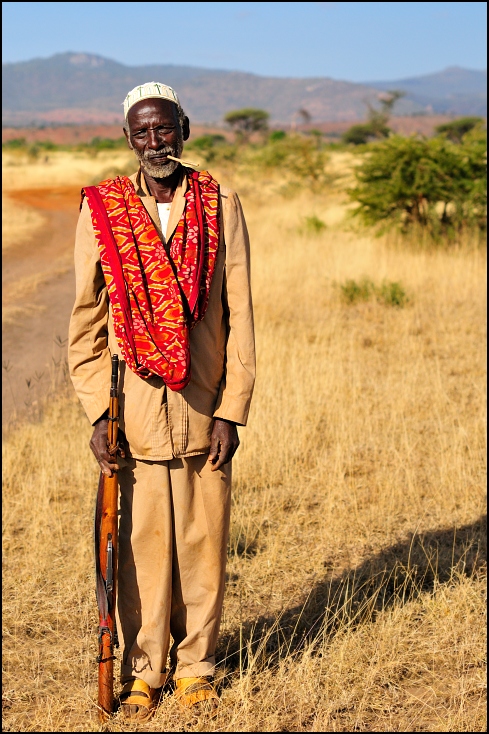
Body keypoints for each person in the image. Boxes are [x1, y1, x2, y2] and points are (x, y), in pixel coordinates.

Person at [68, 82, 255, 721]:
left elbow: (241, 315)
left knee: (204, 541)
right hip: (134, 411)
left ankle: (198, 667)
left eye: (165, 129)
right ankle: (145, 670)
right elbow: (86, 324)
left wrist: (233, 407)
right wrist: (98, 410)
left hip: (205, 405)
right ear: (128, 138)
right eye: (142, 132)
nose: (155, 142)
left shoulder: (220, 203)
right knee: (143, 545)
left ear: (185, 129)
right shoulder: (103, 209)